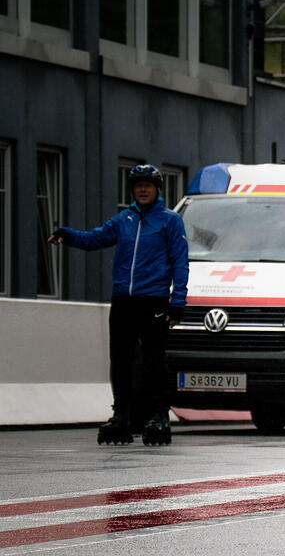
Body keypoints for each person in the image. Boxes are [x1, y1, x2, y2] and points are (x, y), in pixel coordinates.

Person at [48, 164, 188, 446]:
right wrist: (68, 235)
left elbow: (180, 262)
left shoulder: (170, 221)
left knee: (153, 361)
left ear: (157, 189)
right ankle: (120, 414)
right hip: (123, 300)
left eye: (148, 185)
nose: (143, 190)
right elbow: (95, 238)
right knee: (120, 361)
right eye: (138, 186)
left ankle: (159, 415)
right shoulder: (123, 220)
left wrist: (178, 302)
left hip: (154, 300)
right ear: (132, 190)